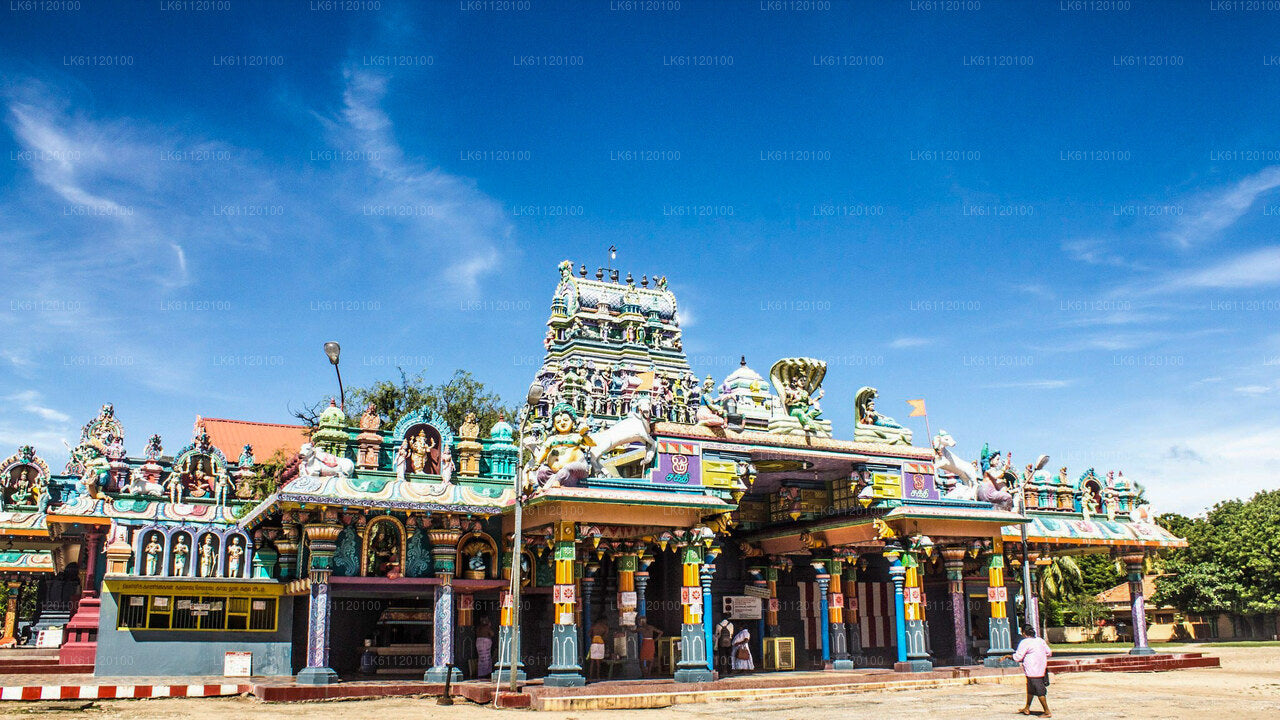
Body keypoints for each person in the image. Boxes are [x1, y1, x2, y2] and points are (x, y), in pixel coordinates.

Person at [1012, 626, 1053, 717]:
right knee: (1030, 688)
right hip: (1041, 667)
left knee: (1039, 690)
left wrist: (1009, 656)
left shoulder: (1025, 642)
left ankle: (1047, 711)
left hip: (1032, 669)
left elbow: (1018, 657)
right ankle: (1027, 707)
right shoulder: (1040, 640)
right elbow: (1049, 652)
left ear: (1023, 633)